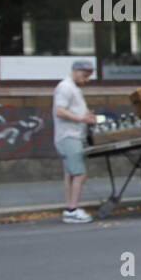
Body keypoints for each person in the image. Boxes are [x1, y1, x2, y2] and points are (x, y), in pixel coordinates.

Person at [52, 59, 97, 224]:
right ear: (76, 71)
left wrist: (87, 115)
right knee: (80, 173)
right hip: (69, 135)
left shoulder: (74, 88)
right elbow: (59, 111)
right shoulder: (65, 87)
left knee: (70, 173)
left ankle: (70, 207)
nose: (87, 80)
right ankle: (72, 209)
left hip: (72, 135)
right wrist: (81, 119)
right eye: (85, 76)